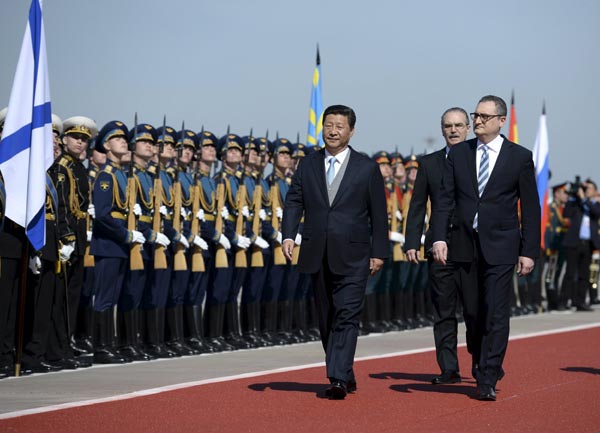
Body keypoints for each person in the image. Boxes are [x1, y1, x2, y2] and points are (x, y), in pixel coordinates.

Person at [432, 95, 540, 401]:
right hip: (464, 244)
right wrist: (439, 237)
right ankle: (481, 357)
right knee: (473, 312)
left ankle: (488, 374)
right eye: (475, 115)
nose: (477, 121)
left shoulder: (519, 157)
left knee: (496, 312)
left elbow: (530, 208)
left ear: (500, 121)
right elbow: (444, 201)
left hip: (502, 246)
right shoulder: (459, 154)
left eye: (483, 116)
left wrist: (529, 250)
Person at [282, 104, 389, 400]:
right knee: (326, 317)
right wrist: (289, 234)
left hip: (354, 254)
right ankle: (345, 371)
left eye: (339, 126)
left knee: (347, 314)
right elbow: (294, 200)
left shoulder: (366, 168)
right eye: (328, 124)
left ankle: (338, 377)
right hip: (317, 251)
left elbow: (379, 215)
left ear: (351, 131)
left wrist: (379, 252)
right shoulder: (308, 164)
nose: (333, 131)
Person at [405, 107, 470, 385]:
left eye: (458, 125)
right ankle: (448, 368)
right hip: (439, 248)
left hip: (473, 247)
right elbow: (418, 205)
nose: (453, 130)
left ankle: (482, 364)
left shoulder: (480, 160)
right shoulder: (429, 163)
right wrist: (411, 241)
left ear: (468, 128)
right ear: (442, 129)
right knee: (443, 311)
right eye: (447, 126)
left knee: (475, 310)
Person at [561, 179, 600, 310]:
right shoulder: (577, 204)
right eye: (585, 188)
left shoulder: (595, 204)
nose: (586, 191)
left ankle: (580, 301)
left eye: (589, 189)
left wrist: (584, 199)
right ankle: (564, 301)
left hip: (588, 244)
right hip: (574, 242)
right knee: (570, 273)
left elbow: (596, 212)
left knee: (584, 275)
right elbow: (566, 213)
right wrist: (573, 197)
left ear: (595, 192)